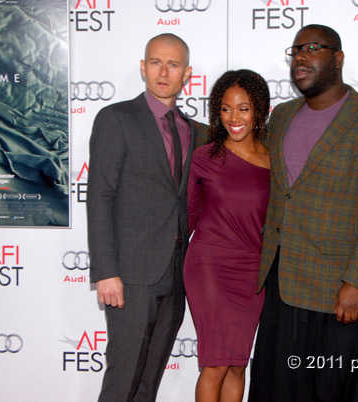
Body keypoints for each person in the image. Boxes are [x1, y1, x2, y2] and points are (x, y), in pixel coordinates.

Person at [248, 24, 358, 402]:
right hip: (282, 285)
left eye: (313, 48)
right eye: (296, 50)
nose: (301, 56)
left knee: (333, 392)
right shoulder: (283, 117)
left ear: (338, 58)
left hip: (338, 293)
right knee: (276, 390)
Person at [87, 33, 205, 402]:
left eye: (173, 64)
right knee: (123, 378)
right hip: (130, 275)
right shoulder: (116, 119)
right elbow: (100, 196)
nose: (163, 71)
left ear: (187, 73)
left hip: (175, 274)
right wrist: (106, 271)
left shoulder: (196, 132)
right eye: (156, 62)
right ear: (143, 67)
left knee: (148, 382)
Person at [184, 69, 271, 402]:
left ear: (259, 111)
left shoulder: (273, 160)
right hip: (209, 266)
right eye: (225, 108)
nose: (234, 118)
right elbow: (190, 215)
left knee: (238, 365)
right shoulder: (204, 158)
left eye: (244, 108)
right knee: (216, 364)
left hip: (252, 270)